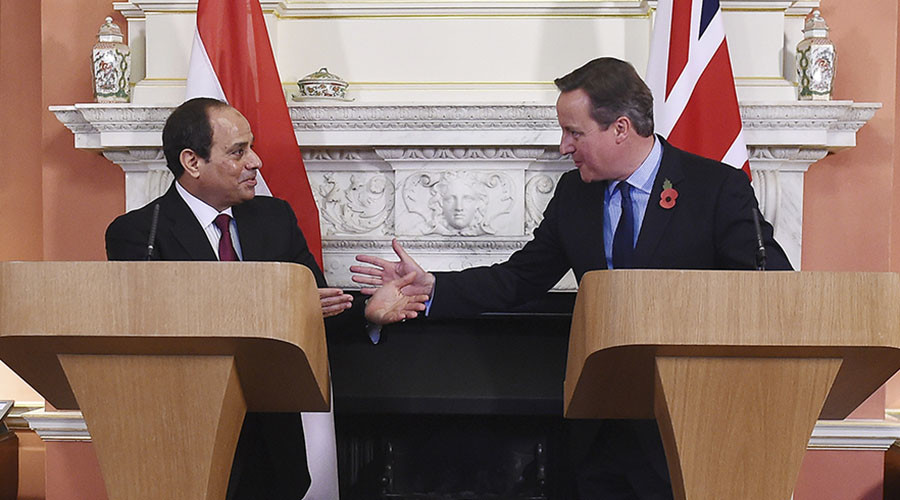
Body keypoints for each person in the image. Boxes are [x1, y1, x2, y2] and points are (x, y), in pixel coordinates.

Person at [354, 57, 792, 499]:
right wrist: (433, 288)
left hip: (687, 423)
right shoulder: (575, 195)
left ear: (621, 128)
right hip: (600, 424)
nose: (564, 146)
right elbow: (521, 277)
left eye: (574, 132)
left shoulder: (715, 188)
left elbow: (769, 284)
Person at [105, 97, 425, 499]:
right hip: (187, 439)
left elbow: (313, 309)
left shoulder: (275, 218)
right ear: (192, 162)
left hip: (271, 447)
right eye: (238, 152)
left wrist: (368, 313)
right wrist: (272, 309)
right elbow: (158, 327)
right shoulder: (139, 233)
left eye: (251, 147)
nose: (255, 162)